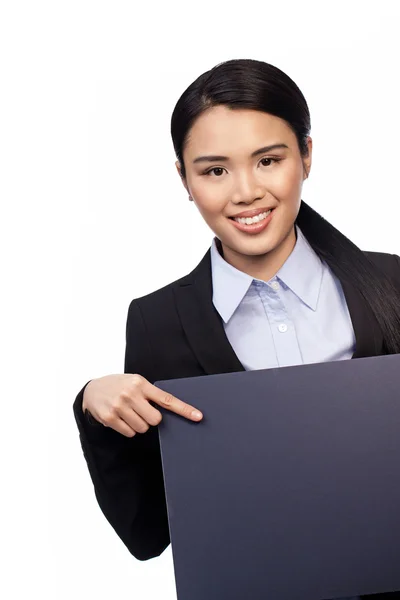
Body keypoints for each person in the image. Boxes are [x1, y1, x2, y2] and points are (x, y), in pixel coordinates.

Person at [73, 58, 400, 598]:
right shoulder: (157, 323)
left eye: (268, 160)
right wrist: (94, 406)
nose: (245, 191)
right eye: (214, 170)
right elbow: (148, 533)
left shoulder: (391, 283)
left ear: (307, 156)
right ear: (184, 177)